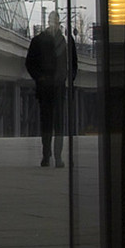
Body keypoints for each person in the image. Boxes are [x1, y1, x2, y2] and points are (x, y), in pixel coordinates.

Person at [25, 9, 76, 167]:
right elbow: (30, 63)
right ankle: (48, 155)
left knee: (52, 123)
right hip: (50, 88)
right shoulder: (62, 41)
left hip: (54, 87)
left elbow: (73, 64)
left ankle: (55, 156)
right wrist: (42, 78)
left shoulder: (44, 40)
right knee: (51, 123)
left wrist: (65, 79)